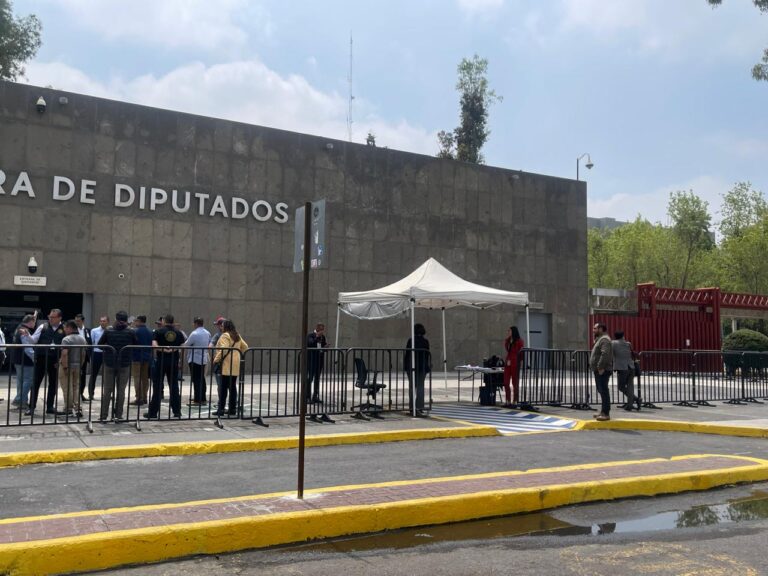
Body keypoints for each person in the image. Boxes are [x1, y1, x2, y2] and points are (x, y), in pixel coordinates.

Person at [97, 311, 137, 422]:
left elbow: (100, 345)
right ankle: (118, 415)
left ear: (115, 318)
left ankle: (103, 415)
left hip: (109, 363)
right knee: (121, 391)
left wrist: (109, 349)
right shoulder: (130, 332)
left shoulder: (109, 331)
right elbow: (136, 345)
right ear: (126, 320)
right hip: (124, 364)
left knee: (107, 390)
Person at [145, 314, 186, 419]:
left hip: (161, 361)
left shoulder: (158, 332)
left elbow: (154, 345)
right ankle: (177, 411)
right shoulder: (178, 332)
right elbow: (183, 346)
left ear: (164, 321)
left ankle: (153, 412)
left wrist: (163, 349)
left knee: (157, 386)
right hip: (173, 361)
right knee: (174, 386)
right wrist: (173, 350)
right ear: (173, 321)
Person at [26, 309, 66, 416]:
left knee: (53, 384)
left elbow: (67, 345)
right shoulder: (43, 326)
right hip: (41, 357)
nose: (50, 319)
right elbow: (33, 340)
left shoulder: (65, 328)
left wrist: (61, 360)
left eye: (53, 317)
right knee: (35, 383)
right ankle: (31, 407)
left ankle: (49, 407)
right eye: (50, 316)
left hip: (55, 359)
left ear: (59, 318)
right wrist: (27, 335)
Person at [213, 319, 248, 417]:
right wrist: (237, 354)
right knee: (232, 387)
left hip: (226, 364)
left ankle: (221, 409)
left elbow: (224, 349)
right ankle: (232, 409)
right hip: (235, 365)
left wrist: (216, 359)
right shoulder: (236, 335)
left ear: (226, 326)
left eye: (223, 325)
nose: (222, 327)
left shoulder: (225, 335)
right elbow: (245, 347)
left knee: (223, 388)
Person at [59, 320, 87, 417]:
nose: (64, 330)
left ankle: (68, 408)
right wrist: (81, 365)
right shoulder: (82, 339)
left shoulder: (66, 339)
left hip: (67, 366)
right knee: (76, 387)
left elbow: (64, 354)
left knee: (67, 388)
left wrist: (65, 366)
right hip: (78, 366)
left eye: (65, 328)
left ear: (70, 328)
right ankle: (78, 408)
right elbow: (83, 355)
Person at [404, 323, 431, 417]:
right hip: (422, 367)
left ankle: (412, 408)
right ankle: (420, 407)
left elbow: (407, 354)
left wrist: (406, 366)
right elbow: (427, 355)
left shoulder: (411, 340)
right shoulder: (425, 341)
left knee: (412, 388)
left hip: (412, 367)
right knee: (420, 388)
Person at [11, 315, 36, 411]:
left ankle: (22, 403)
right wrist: (35, 358)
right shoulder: (24, 331)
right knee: (28, 381)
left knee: (21, 381)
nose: (34, 324)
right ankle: (19, 400)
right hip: (26, 360)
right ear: (30, 321)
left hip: (17, 359)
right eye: (34, 322)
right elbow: (28, 348)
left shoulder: (18, 328)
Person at [183, 317, 211, 404]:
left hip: (195, 359)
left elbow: (187, 344)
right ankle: (202, 397)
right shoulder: (207, 333)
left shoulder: (194, 333)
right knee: (202, 378)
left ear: (195, 323)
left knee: (196, 379)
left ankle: (197, 399)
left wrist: (181, 344)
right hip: (203, 358)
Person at [589, 323, 614, 421]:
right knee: (601, 390)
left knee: (604, 390)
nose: (593, 330)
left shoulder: (605, 340)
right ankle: (603, 411)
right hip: (599, 370)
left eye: (595, 328)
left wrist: (600, 367)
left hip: (602, 370)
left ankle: (606, 413)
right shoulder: (600, 339)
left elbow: (605, 354)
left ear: (601, 329)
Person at [612, 330, 641, 412]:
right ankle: (630, 404)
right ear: (622, 336)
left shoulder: (613, 343)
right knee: (630, 386)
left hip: (622, 368)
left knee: (621, 387)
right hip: (631, 367)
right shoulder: (628, 343)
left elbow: (611, 353)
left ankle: (636, 399)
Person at [85, 316, 110, 402]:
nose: (102, 322)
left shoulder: (110, 330)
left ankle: (107, 394)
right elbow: (91, 343)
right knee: (94, 374)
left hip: (107, 353)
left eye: (104, 321)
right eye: (101, 321)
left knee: (107, 374)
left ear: (108, 322)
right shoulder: (94, 330)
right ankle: (90, 394)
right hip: (96, 353)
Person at [130, 315, 153, 406]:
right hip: (147, 357)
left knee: (137, 378)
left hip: (136, 357)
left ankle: (138, 398)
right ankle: (145, 397)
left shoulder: (135, 331)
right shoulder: (150, 331)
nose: (135, 322)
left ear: (139, 321)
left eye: (136, 321)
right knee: (145, 378)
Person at [306, 322, 328, 403]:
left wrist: (325, 347)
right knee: (310, 378)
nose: (322, 331)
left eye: (323, 329)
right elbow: (310, 344)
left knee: (317, 379)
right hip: (312, 360)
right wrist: (317, 337)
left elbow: (322, 347)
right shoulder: (311, 335)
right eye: (321, 329)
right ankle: (307, 397)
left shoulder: (323, 337)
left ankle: (315, 396)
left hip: (319, 361)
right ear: (317, 328)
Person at [503, 326, 524, 407]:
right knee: (506, 382)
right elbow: (507, 350)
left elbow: (521, 352)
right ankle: (508, 400)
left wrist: (521, 362)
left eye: (509, 331)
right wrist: (508, 340)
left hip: (515, 363)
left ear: (513, 332)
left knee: (515, 383)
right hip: (508, 363)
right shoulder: (507, 341)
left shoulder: (519, 341)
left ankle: (515, 400)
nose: (508, 332)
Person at [74, 314, 92, 403]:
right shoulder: (73, 330)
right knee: (75, 376)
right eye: (76, 321)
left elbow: (90, 343)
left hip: (84, 356)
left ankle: (81, 393)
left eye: (78, 321)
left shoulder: (87, 331)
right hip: (74, 356)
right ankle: (75, 395)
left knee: (83, 376)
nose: (77, 322)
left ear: (82, 321)